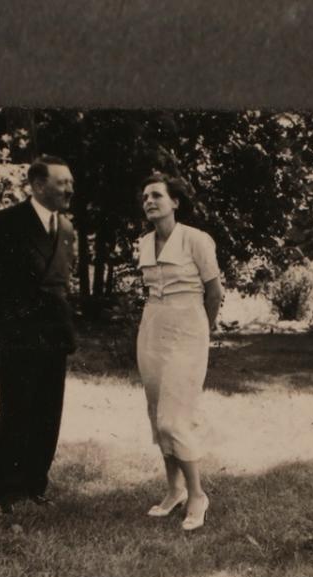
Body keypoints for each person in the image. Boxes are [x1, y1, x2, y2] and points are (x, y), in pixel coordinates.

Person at [0, 155, 76, 515]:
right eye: (62, 183)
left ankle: (34, 485)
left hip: (54, 337)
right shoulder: (3, 223)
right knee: (16, 411)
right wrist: (7, 323)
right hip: (16, 336)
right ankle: (1, 491)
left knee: (48, 413)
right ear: (37, 184)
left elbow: (61, 284)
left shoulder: (66, 229)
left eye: (70, 183)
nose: (69, 189)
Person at [134, 173, 223, 531]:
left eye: (157, 195)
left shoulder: (196, 240)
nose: (150, 201)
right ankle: (174, 491)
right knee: (157, 414)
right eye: (145, 197)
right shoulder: (143, 243)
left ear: (175, 202)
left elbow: (213, 292)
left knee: (175, 417)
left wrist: (204, 330)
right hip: (152, 326)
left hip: (188, 328)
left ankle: (197, 495)